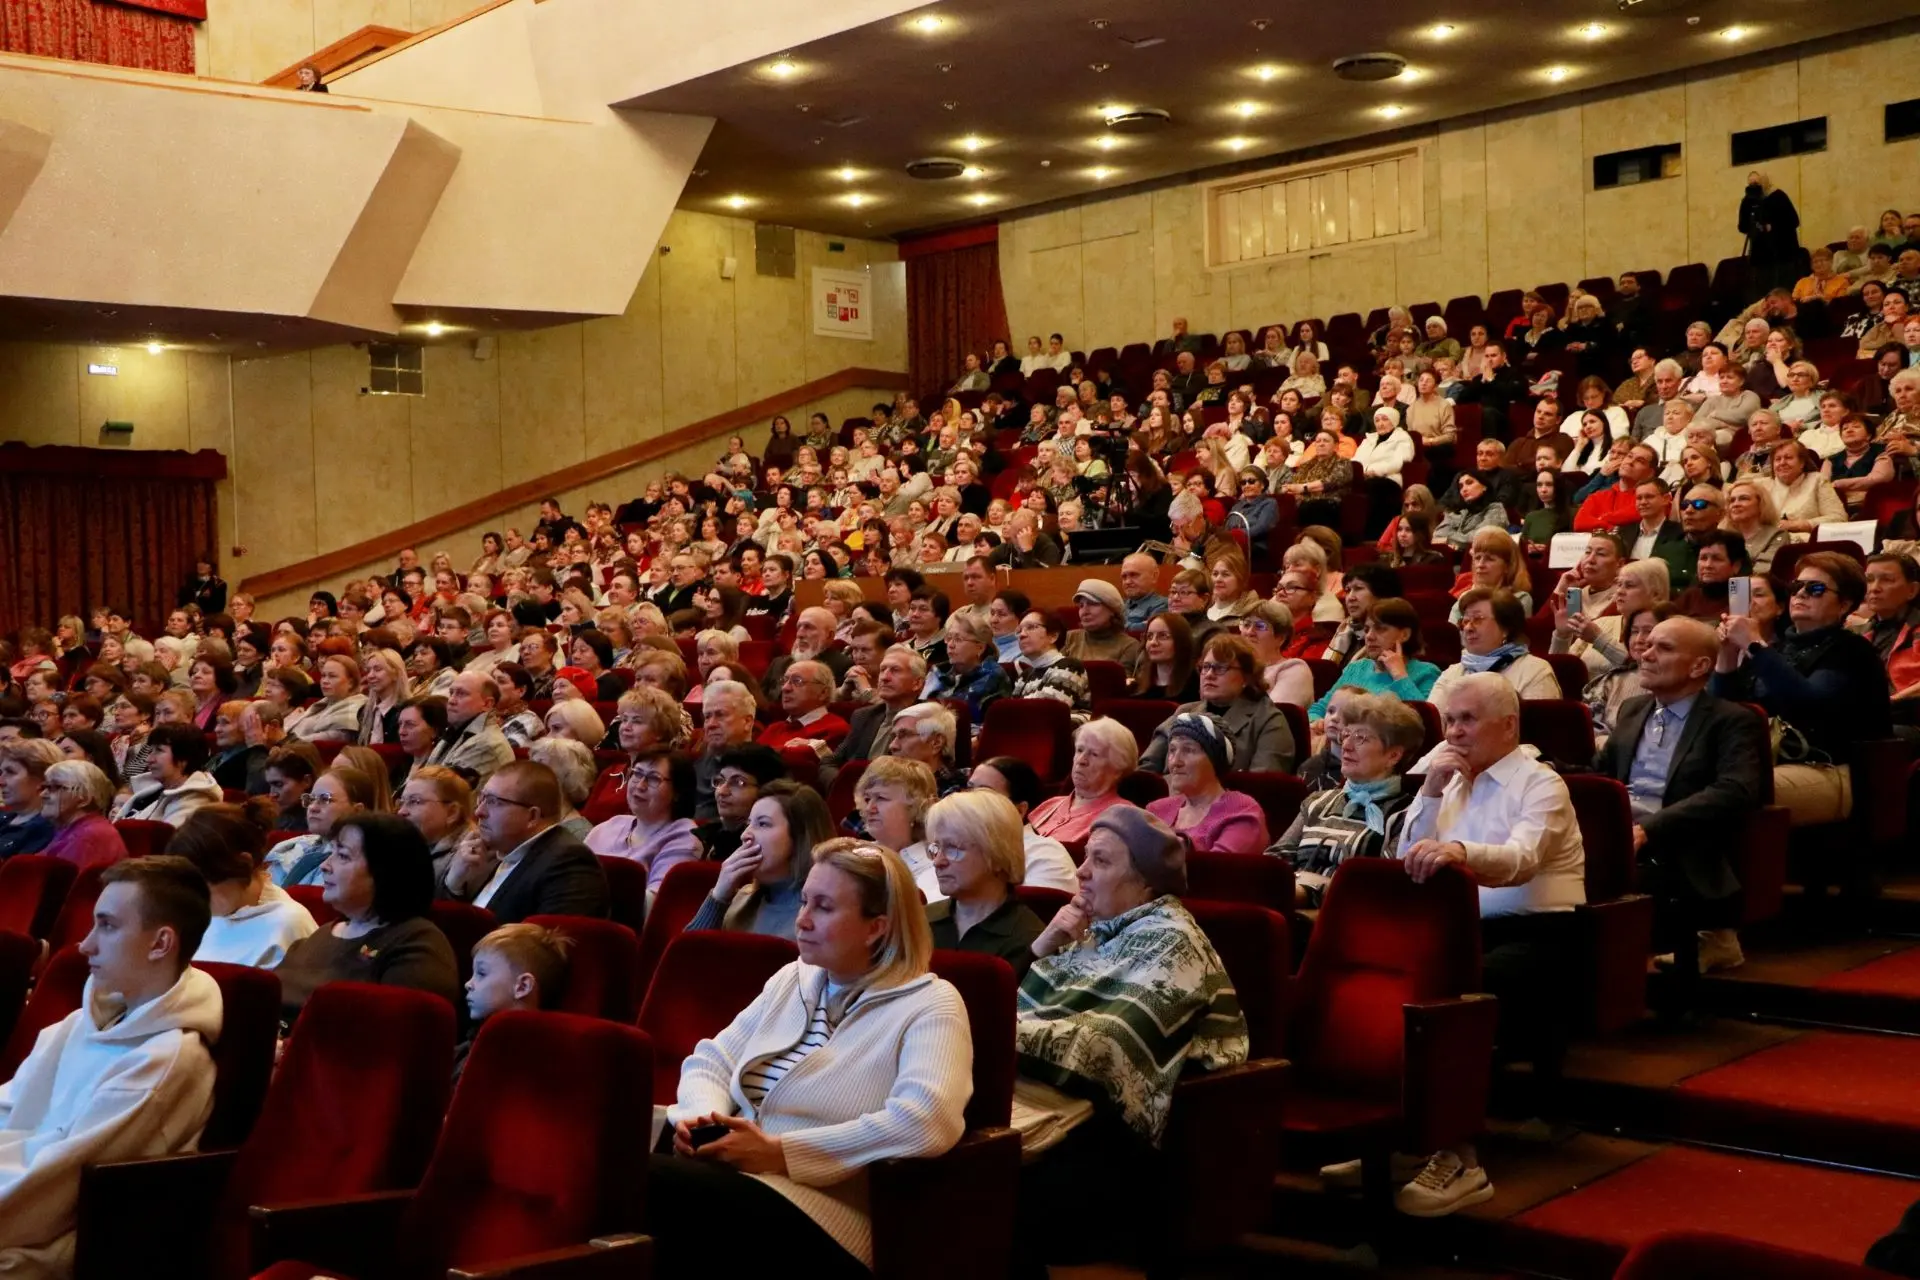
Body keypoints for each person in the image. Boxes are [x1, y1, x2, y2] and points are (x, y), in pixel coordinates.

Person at [649, 841, 971, 1278]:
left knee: (636, 1182)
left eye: (823, 907)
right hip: (731, 1180)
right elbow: (712, 1060)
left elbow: (927, 1121)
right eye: (804, 901)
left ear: (876, 928)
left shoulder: (931, 1004)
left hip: (820, 1211)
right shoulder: (794, 977)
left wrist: (779, 1153)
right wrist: (705, 1123)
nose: (802, 920)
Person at [1014, 807, 1248, 1270]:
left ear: (1146, 883)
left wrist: (989, 1035)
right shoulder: (1094, 932)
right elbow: (1010, 1005)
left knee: (972, 1190)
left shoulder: (1174, 941)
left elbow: (1107, 1048)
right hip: (1054, 1111)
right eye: (1085, 857)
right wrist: (1043, 944)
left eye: (1100, 861)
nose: (1081, 871)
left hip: (1116, 1149)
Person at [1385, 674, 1586, 1216]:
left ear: (1509, 725)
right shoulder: (1448, 781)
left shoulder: (1541, 783)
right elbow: (1405, 859)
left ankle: (1462, 1158)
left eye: (1468, 720)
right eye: (1449, 720)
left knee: (1449, 1003)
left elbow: (1522, 862)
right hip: (1461, 931)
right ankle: (1403, 1137)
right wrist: (1429, 794)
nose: (1454, 732)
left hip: (1540, 934)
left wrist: (1459, 850)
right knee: (1381, 984)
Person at [0, 857, 220, 1275]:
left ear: (160, 944)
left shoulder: (166, 1061)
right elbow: (8, 1105)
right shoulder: (80, 1023)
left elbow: (56, 1189)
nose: (85, 945)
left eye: (107, 926)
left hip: (58, 1244)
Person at [1596, 618, 1769, 988]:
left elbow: (1735, 790)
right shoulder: (1633, 709)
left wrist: (1650, 829)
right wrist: (1545, 766)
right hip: (1621, 830)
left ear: (1699, 666)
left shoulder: (1731, 720)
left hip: (1677, 842)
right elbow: (1599, 773)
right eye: (1647, 644)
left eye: (1664, 648)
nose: (1645, 653)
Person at [1710, 552, 1890, 827]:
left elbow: (1808, 705)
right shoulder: (1779, 649)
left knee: (1729, 792)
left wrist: (1755, 645)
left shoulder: (1852, 650)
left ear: (1844, 604)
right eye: (1796, 587)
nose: (1801, 593)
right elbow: (1725, 711)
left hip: (1830, 768)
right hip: (1768, 761)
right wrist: (1726, 653)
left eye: (1815, 588)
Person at [275, 813, 462, 1017]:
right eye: (331, 852)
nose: (325, 866)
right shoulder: (322, 934)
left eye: (343, 856)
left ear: (386, 872)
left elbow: (395, 1029)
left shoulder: (417, 945)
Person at [1265, 694, 1423, 906]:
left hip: (1347, 918)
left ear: (1393, 755)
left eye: (1361, 738)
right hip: (1289, 906)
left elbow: (1379, 887)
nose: (1346, 746)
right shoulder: (1317, 801)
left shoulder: (1406, 815)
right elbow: (1274, 861)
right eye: (1346, 735)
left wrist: (1311, 888)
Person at [437, 761, 611, 923]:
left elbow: (547, 941)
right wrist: (454, 883)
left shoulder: (569, 864)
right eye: (481, 799)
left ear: (532, 816)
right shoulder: (492, 851)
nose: (479, 811)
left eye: (493, 802)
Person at [169, 801, 317, 968]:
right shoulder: (195, 915)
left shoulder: (289, 923)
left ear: (243, 864)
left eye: (203, 885)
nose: (194, 897)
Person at [687, 780, 833, 939]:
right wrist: (718, 896)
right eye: (748, 824)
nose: (745, 835)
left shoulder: (825, 915)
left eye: (763, 824)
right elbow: (686, 953)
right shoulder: (741, 899)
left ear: (800, 837)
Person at [924, 790, 1045, 976]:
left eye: (953, 849)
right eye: (936, 848)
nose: (937, 861)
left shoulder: (1028, 938)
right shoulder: (919, 921)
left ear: (997, 855)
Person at [1140, 634, 1297, 773]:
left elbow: (1263, 785)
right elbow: (1146, 769)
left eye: (1220, 668)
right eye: (1206, 667)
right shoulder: (1184, 712)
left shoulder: (1268, 720)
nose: (1209, 675)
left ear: (1247, 677)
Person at [1145, 713, 1270, 855]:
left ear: (1215, 761)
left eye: (1188, 750)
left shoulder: (1241, 812)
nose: (1175, 762)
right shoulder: (1156, 810)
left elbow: (1214, 867)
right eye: (1172, 750)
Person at [584, 747, 703, 895]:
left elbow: (656, 902)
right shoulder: (611, 825)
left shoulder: (684, 837)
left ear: (677, 792)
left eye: (654, 779)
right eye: (637, 773)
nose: (640, 786)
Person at [1428, 588, 1560, 714]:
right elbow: (1432, 725)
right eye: (1465, 621)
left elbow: (1538, 728)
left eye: (1478, 619)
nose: (1468, 628)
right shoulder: (1452, 674)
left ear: (1505, 628)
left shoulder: (1535, 671)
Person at [1309, 598, 1441, 722]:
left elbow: (1425, 722)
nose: (1369, 636)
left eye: (1380, 629)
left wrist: (1400, 675)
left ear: (1404, 635)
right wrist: (1317, 722)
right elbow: (1318, 710)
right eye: (1367, 630)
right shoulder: (1356, 668)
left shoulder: (1426, 672)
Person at [1027, 718, 1138, 846]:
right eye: (1079, 750)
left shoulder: (1123, 817)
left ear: (1117, 770)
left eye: (1094, 754)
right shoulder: (1050, 805)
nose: (1081, 760)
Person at [111, 723, 221, 826]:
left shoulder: (193, 803)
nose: (149, 759)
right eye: (151, 751)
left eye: (159, 750)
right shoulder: (154, 789)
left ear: (183, 759)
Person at [423, 671, 515, 783]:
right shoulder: (455, 731)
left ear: (487, 704)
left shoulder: (487, 744)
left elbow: (442, 790)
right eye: (451, 693)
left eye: (461, 694)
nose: (451, 700)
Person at [922, 612, 1010, 726]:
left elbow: (971, 720)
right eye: (948, 638)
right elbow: (920, 706)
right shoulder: (938, 671)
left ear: (980, 648)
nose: (950, 645)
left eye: (958, 639)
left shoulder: (993, 676)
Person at [37, 759, 127, 870]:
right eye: (45, 787)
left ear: (84, 798)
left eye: (54, 787)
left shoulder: (89, 837)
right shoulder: (75, 829)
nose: (42, 794)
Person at [1009, 611, 1092, 721]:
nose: (1022, 635)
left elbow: (1046, 713)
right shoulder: (1025, 675)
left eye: (1031, 627)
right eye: (1019, 630)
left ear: (1053, 636)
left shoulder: (1070, 667)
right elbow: (1010, 714)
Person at [758, 661, 850, 753]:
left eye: (797, 681)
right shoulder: (773, 729)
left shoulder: (835, 729)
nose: (785, 688)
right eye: (784, 681)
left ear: (823, 693)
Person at [1060, 579, 1144, 677]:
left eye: (1092, 604)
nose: (1084, 612)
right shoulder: (1071, 638)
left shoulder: (1129, 646)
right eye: (1081, 606)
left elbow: (1122, 683)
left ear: (1112, 610)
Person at [0, 737, 60, 857]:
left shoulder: (44, 831)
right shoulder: (5, 817)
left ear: (42, 779)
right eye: (1, 773)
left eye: (10, 772)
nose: (1, 781)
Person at [1119, 553, 1169, 629]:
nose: (1127, 581)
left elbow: (1150, 630)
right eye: (1124, 576)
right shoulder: (1118, 605)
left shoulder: (1163, 605)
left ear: (1154, 576)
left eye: (1134, 575)